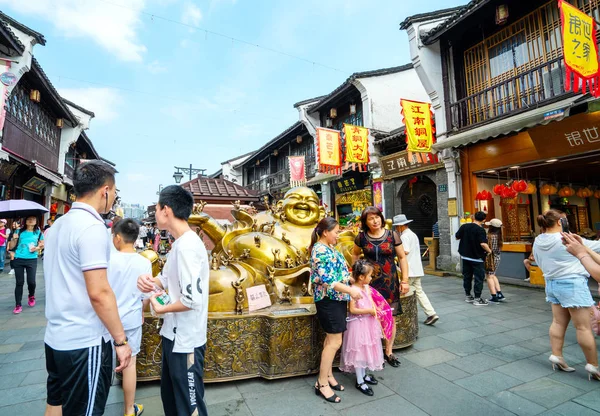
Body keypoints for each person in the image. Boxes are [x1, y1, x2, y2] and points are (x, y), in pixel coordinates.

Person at [44, 160, 132, 416]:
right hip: (85, 341)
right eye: (114, 192)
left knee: (55, 403)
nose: (113, 197)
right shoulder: (92, 228)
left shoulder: (58, 225)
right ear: (105, 190)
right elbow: (99, 292)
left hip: (56, 336)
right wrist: (121, 340)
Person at [137, 185, 209, 416]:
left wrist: (161, 308)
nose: (156, 213)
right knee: (171, 399)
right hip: (172, 335)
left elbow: (191, 300)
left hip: (186, 339)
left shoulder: (188, 246)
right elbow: (165, 279)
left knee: (189, 406)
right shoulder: (179, 243)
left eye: (157, 208)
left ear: (166, 210)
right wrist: (149, 282)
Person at [533, 209, 600, 380]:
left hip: (552, 283)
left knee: (557, 322)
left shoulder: (538, 240)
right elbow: (596, 247)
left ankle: (557, 355)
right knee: (583, 327)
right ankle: (593, 365)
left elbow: (538, 261)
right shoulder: (567, 239)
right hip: (573, 284)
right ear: (560, 222)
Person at [310, 216, 362, 404]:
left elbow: (340, 273)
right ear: (325, 232)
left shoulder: (330, 248)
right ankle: (322, 383)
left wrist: (352, 280)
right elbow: (328, 280)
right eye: (336, 231)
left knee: (330, 340)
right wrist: (351, 290)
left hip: (337, 299)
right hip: (328, 300)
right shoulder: (320, 250)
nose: (338, 235)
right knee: (334, 342)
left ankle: (329, 375)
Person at [352, 206, 409, 367]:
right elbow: (355, 254)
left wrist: (404, 280)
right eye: (370, 218)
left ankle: (389, 351)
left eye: (377, 217)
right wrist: (357, 275)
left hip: (390, 282)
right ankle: (375, 351)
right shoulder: (361, 237)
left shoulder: (392, 235)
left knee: (391, 317)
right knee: (372, 317)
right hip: (369, 284)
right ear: (365, 222)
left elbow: (402, 258)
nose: (375, 221)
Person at [109, 219, 152, 416]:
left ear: (117, 237)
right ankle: (129, 410)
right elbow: (146, 296)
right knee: (130, 364)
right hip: (132, 320)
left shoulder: (108, 260)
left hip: (108, 320)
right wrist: (142, 311)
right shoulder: (144, 262)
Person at [339, 259, 384, 397]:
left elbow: (370, 301)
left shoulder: (366, 288)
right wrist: (369, 311)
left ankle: (364, 375)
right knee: (359, 351)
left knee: (366, 349)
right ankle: (359, 380)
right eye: (370, 275)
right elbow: (352, 309)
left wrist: (375, 309)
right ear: (361, 277)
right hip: (358, 324)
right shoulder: (354, 290)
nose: (371, 278)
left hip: (368, 323)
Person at [394, 214, 439, 325]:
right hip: (416, 269)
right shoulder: (412, 234)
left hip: (408, 270)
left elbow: (405, 251)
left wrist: (394, 252)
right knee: (419, 292)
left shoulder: (404, 236)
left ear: (401, 226)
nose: (396, 229)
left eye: (397, 227)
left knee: (403, 293)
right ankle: (431, 313)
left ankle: (404, 318)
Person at [455, 211, 493, 306]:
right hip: (477, 257)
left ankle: (468, 295)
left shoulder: (464, 226)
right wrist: (489, 251)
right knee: (478, 278)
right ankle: (477, 298)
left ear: (474, 217)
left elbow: (457, 237)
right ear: (484, 220)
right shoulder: (480, 230)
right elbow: (483, 244)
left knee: (467, 277)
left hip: (465, 256)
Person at [9, 215, 44, 314]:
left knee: (31, 282)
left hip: (31, 259)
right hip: (19, 258)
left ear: (36, 221)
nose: (31, 220)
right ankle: (18, 305)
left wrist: (37, 248)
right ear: (25, 221)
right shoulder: (19, 231)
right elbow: (11, 247)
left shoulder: (38, 232)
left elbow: (42, 244)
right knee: (19, 282)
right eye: (29, 219)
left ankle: (31, 295)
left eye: (33, 219)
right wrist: (14, 239)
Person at [485, 218, 506, 303]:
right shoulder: (499, 236)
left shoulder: (490, 236)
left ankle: (494, 296)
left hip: (491, 258)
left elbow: (490, 249)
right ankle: (499, 293)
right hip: (497, 257)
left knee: (489, 277)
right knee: (493, 275)